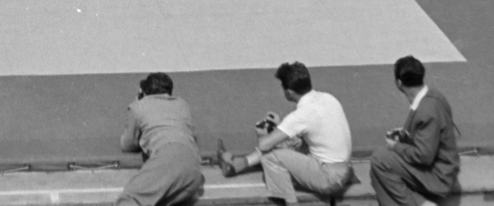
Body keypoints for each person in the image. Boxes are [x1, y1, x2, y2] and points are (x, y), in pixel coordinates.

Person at [214, 61, 352, 205]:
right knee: (293, 142)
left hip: (328, 177)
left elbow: (264, 145)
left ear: (288, 92)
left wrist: (262, 134)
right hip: (343, 169)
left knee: (271, 157)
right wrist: (281, 126)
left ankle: (290, 202)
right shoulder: (328, 98)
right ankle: (237, 165)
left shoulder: (301, 115)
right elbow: (308, 128)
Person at [368, 55, 458, 206]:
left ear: (399, 82)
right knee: (377, 173)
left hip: (439, 175)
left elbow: (423, 156)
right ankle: (420, 202)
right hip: (439, 167)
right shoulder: (433, 97)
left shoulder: (427, 110)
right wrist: (405, 135)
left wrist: (395, 146)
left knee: (379, 159)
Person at [118, 72, 205, 206]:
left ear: (144, 91)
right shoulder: (182, 104)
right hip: (193, 170)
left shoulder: (138, 106)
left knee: (129, 199)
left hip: (168, 159)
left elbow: (127, 144)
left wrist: (137, 103)